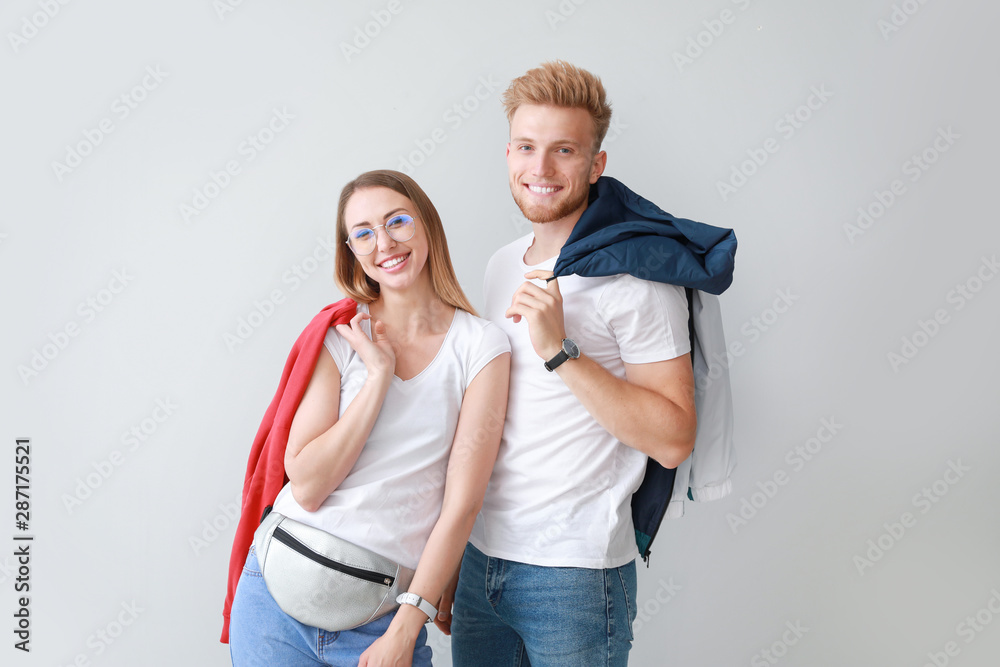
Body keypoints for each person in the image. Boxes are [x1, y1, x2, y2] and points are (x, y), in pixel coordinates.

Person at [449, 61, 736, 666]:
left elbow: (674, 438)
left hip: (573, 577)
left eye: (564, 150)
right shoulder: (503, 263)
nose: (542, 169)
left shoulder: (634, 277)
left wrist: (560, 351)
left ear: (595, 164)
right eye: (527, 147)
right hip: (480, 559)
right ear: (507, 154)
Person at [225, 169, 510, 666]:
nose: (385, 243)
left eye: (397, 221)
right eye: (364, 233)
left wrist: (405, 631)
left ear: (426, 225)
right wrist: (378, 377)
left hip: (378, 622)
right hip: (272, 605)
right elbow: (309, 485)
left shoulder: (480, 346)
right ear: (352, 251)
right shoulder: (341, 335)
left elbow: (462, 505)